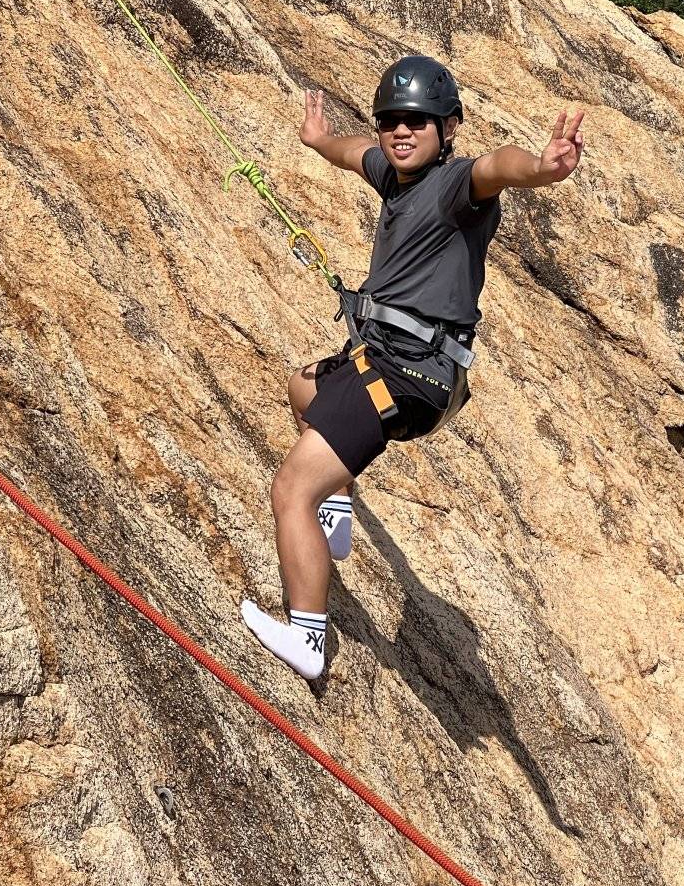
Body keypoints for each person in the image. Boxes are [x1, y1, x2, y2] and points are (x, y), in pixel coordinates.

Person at [241, 55, 585, 679]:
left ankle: (308, 637)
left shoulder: (457, 188)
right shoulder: (394, 174)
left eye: (419, 122)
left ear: (448, 127)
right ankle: (338, 517)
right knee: (302, 388)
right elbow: (355, 154)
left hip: (408, 371)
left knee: (292, 488)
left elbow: (498, 166)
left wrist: (539, 168)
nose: (402, 131)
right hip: (387, 363)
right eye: (391, 120)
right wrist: (320, 141)